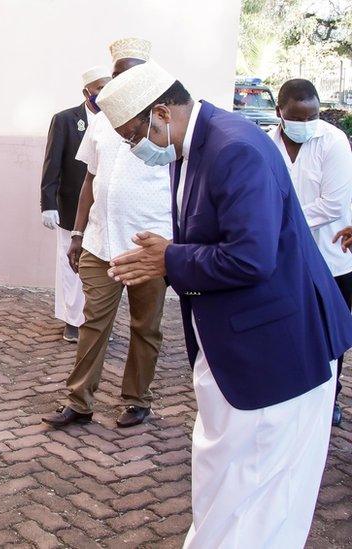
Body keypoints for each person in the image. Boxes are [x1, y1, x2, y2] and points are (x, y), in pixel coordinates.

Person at [100, 60, 352, 548]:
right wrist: (170, 253)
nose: (133, 148)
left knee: (262, 502)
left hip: (278, 351)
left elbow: (251, 258)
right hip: (238, 344)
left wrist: (171, 259)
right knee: (228, 487)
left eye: (132, 135)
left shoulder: (234, 148)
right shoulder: (195, 145)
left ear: (159, 113)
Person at [43, 37, 170, 429]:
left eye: (129, 72)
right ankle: (79, 401)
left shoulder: (162, 121)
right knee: (92, 322)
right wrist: (78, 233)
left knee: (144, 327)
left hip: (147, 246)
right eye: (116, 73)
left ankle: (136, 400)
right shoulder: (100, 120)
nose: (121, 79)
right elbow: (88, 181)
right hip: (100, 241)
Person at [269, 78, 352, 427]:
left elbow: (332, 204)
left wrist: (277, 221)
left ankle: (330, 398)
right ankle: (292, 397)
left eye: (313, 116)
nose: (306, 124)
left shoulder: (333, 141)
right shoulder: (266, 143)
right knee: (288, 328)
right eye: (298, 117)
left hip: (331, 257)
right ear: (280, 113)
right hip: (284, 259)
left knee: (330, 332)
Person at [41, 66, 111, 342]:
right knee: (70, 262)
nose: (104, 94)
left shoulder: (117, 120)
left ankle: (95, 319)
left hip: (103, 206)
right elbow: (52, 163)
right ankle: (72, 320)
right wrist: (48, 202)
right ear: (87, 92)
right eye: (99, 89)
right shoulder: (65, 120)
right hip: (71, 204)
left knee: (100, 265)